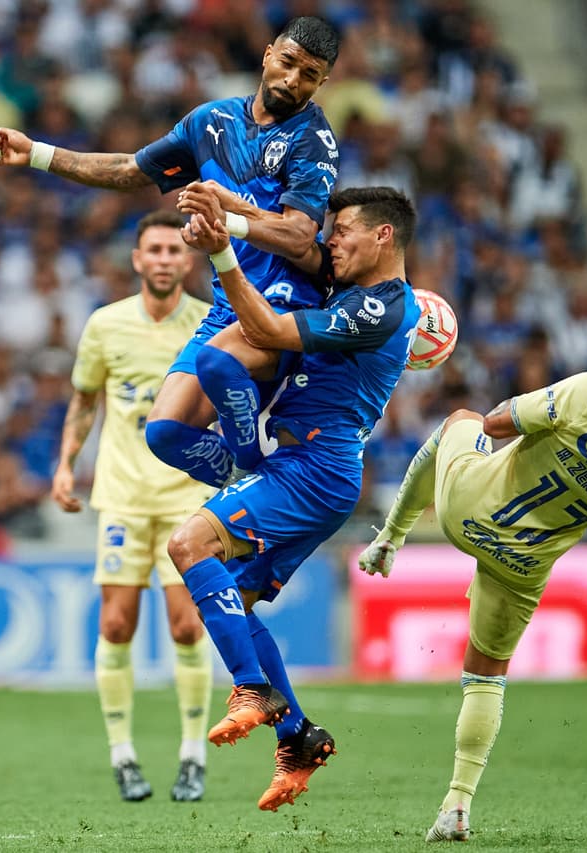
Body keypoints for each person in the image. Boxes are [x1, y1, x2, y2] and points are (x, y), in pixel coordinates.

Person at [357, 326, 587, 842]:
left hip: (468, 510)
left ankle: (389, 537)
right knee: (486, 672)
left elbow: (495, 422)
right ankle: (457, 805)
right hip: (522, 562)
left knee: (461, 420)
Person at [0, 16, 342, 486]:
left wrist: (227, 217)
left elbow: (298, 236)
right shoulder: (211, 121)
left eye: (309, 75)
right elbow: (131, 170)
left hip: (283, 308)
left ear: (322, 82)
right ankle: (254, 480)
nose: (293, 80)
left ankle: (257, 473)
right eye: (288, 63)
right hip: (228, 306)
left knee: (217, 362)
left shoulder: (313, 140)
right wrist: (39, 154)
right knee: (165, 433)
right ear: (269, 53)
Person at [169, 187, 421, 812]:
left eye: (344, 232)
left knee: (188, 544)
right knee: (232, 601)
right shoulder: (356, 295)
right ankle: (298, 735)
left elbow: (269, 328)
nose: (330, 242)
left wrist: (225, 254)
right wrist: (230, 205)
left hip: (313, 466)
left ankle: (251, 689)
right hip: (310, 466)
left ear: (383, 236)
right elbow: (288, 237)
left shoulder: (381, 309)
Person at [50, 211, 216, 803]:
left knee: (186, 626)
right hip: (122, 497)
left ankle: (192, 756)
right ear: (138, 259)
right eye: (156, 249)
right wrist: (66, 463)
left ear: (188, 260)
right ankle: (122, 755)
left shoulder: (211, 322)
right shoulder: (105, 326)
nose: (166, 258)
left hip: (186, 499)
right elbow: (83, 400)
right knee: (116, 625)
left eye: (176, 249)